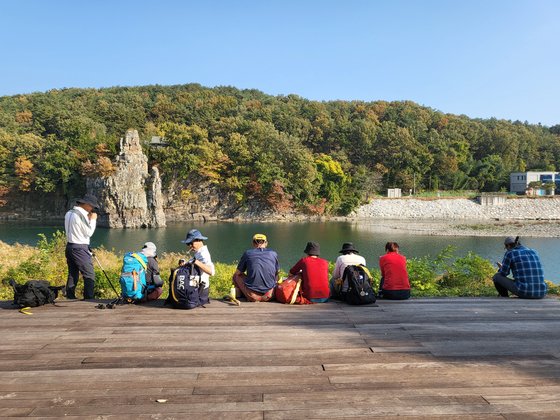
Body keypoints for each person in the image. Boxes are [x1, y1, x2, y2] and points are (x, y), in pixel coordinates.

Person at [64, 194, 99, 300]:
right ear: (86, 204)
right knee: (89, 274)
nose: (92, 209)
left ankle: (70, 296)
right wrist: (93, 220)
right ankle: (89, 299)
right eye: (92, 206)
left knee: (72, 273)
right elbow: (88, 233)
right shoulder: (80, 215)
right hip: (79, 248)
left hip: (70, 246)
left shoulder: (69, 213)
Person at [233, 233, 279, 302]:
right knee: (276, 275)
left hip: (253, 296)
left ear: (253, 243)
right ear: (266, 243)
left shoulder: (248, 253)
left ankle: (242, 295)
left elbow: (238, 273)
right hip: (270, 295)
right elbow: (277, 273)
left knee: (236, 276)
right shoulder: (273, 253)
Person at [181, 229, 215, 304]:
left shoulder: (204, 254)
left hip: (200, 291)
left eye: (191, 243)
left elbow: (211, 271)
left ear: (198, 240)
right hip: (196, 289)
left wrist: (195, 262)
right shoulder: (198, 252)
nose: (189, 246)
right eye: (188, 244)